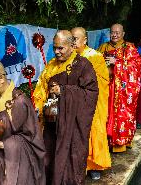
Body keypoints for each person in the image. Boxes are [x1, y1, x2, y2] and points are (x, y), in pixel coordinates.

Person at [33, 30, 99, 185]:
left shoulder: (83, 65)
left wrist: (63, 91)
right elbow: (41, 89)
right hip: (52, 119)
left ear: (72, 46)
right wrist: (38, 106)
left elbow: (91, 93)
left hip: (72, 126)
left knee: (71, 159)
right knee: (50, 155)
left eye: (61, 48)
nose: (56, 52)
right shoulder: (51, 65)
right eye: (55, 47)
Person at [71, 27, 111, 180]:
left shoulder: (94, 56)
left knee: (93, 131)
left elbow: (101, 81)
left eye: (75, 38)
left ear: (85, 40)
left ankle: (95, 165)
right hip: (74, 101)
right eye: (71, 39)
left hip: (91, 101)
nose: (72, 42)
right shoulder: (68, 56)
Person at [97, 23, 141, 153]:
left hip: (121, 89)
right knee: (104, 114)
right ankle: (105, 142)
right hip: (105, 86)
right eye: (112, 32)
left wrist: (117, 63)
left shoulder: (129, 48)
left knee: (120, 116)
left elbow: (135, 68)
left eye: (117, 32)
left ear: (123, 34)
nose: (114, 34)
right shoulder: (103, 47)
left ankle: (120, 144)